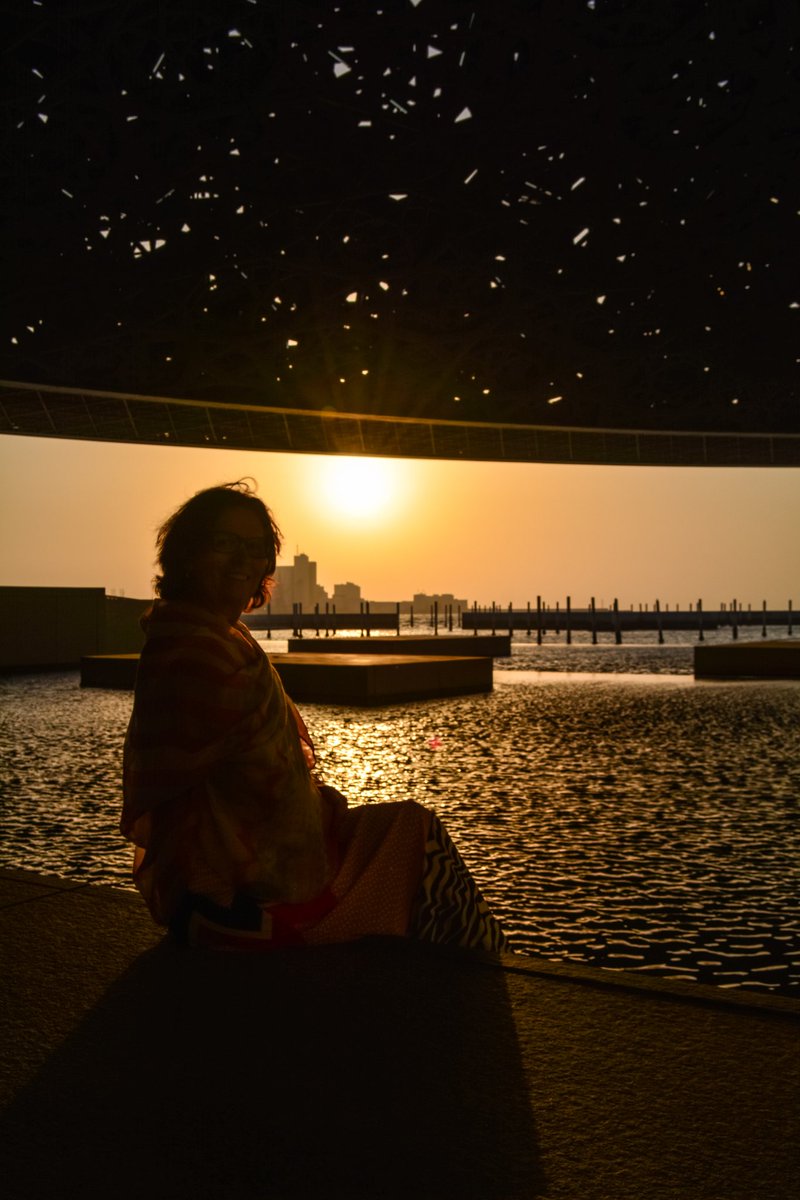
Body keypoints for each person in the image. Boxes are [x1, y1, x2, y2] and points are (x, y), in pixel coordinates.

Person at [121, 480, 509, 954]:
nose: (243, 560)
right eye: (225, 543)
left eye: (256, 548)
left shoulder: (203, 636)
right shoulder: (199, 652)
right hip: (243, 894)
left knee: (409, 828)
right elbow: (258, 798)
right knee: (419, 841)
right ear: (189, 552)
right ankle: (486, 978)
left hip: (222, 878)